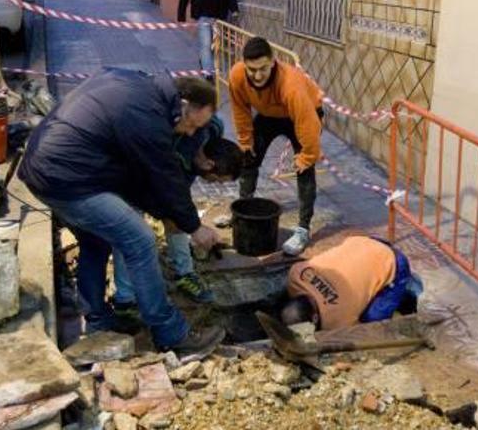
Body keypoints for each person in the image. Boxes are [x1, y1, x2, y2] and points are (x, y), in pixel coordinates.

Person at [18, 68, 225, 356]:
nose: (191, 133)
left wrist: (169, 215)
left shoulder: (142, 88)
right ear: (185, 105)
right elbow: (164, 175)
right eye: (192, 125)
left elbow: (136, 180)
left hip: (47, 167)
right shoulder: (147, 116)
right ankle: (171, 333)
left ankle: (99, 322)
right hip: (66, 176)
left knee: (96, 241)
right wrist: (193, 226)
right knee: (140, 240)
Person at [112, 121, 243, 306]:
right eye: (217, 180)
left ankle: (185, 273)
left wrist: (184, 220)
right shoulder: (173, 153)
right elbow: (164, 190)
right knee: (129, 232)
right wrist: (188, 224)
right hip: (132, 172)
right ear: (209, 163)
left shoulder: (211, 130)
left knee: (181, 215)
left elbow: (177, 205)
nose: (215, 184)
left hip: (167, 175)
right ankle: (125, 299)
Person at [228, 36, 324, 256]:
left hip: (304, 113)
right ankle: (243, 210)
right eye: (252, 69)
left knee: (304, 169)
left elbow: (308, 124)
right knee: (248, 156)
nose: (258, 75)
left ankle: (302, 229)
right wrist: (245, 141)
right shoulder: (237, 75)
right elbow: (240, 108)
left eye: (263, 68)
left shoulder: (291, 85)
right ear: (244, 64)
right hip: (269, 114)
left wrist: (307, 156)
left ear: (273, 62)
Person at [281, 236, 423, 330]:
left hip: (392, 260)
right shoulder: (296, 274)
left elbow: (356, 333)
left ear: (315, 317)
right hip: (360, 241)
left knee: (372, 321)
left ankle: (407, 288)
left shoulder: (337, 319)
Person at [177, 0, 239, 81]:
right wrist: (181, 16)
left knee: (214, 45)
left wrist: (234, 9)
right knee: (205, 44)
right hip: (203, 17)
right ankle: (208, 74)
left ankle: (204, 62)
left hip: (219, 17)